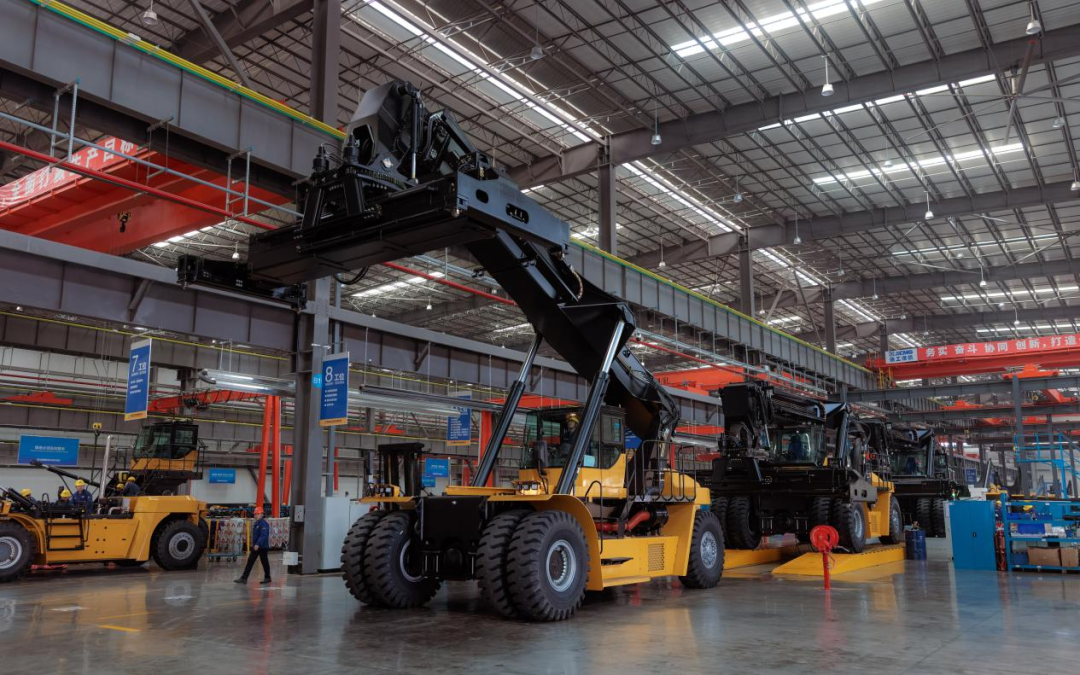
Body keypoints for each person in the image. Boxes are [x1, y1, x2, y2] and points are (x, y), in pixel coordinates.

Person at [235, 508, 271, 585]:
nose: (255, 515)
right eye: (255, 514)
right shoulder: (256, 523)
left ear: (261, 514)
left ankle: (267, 577)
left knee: (264, 562)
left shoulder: (264, 524)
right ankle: (244, 578)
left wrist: (258, 544)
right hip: (256, 546)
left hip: (262, 547)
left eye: (257, 514)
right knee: (250, 561)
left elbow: (263, 536)